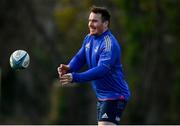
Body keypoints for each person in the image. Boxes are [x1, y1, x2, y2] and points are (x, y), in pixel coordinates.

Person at [57, 5, 131, 125]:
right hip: (102, 96)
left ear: (106, 24)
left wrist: (75, 77)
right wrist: (69, 67)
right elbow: (80, 57)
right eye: (90, 20)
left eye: (95, 21)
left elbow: (102, 70)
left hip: (115, 95)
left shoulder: (109, 44)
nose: (90, 24)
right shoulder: (89, 38)